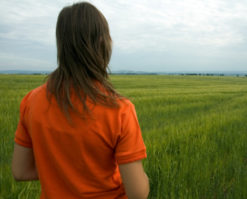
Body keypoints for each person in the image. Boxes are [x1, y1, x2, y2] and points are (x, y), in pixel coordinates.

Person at [11, 2, 149, 199]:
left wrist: (61, 174)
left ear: (62, 45)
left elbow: (20, 171)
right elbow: (137, 193)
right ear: (102, 43)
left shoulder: (31, 102)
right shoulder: (119, 110)